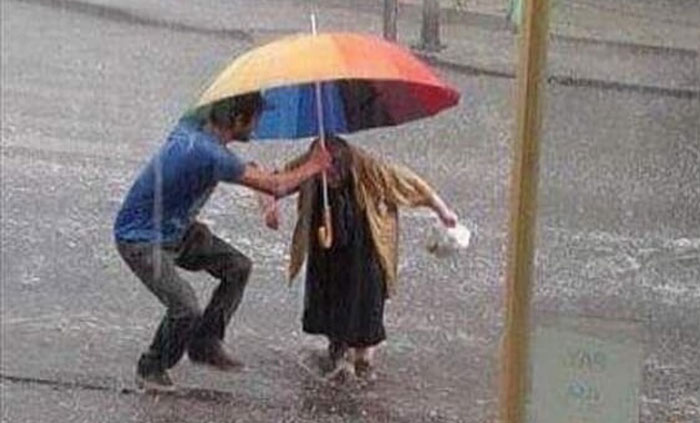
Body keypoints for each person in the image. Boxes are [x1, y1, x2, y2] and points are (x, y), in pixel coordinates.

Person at [114, 91, 331, 392]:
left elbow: (257, 175)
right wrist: (314, 165)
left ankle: (205, 342)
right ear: (237, 120)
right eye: (254, 119)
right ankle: (151, 366)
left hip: (178, 230)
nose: (256, 127)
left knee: (238, 267)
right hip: (140, 240)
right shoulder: (210, 154)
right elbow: (276, 185)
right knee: (185, 308)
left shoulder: (194, 125)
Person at [264, 135, 458, 382]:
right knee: (330, 298)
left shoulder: (371, 167)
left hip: (365, 241)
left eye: (333, 174)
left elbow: (414, 186)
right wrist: (269, 207)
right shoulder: (310, 163)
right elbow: (272, 183)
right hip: (326, 242)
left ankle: (364, 361)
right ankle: (337, 349)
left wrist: (443, 212)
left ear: (345, 165)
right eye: (323, 174)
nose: (328, 179)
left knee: (367, 300)